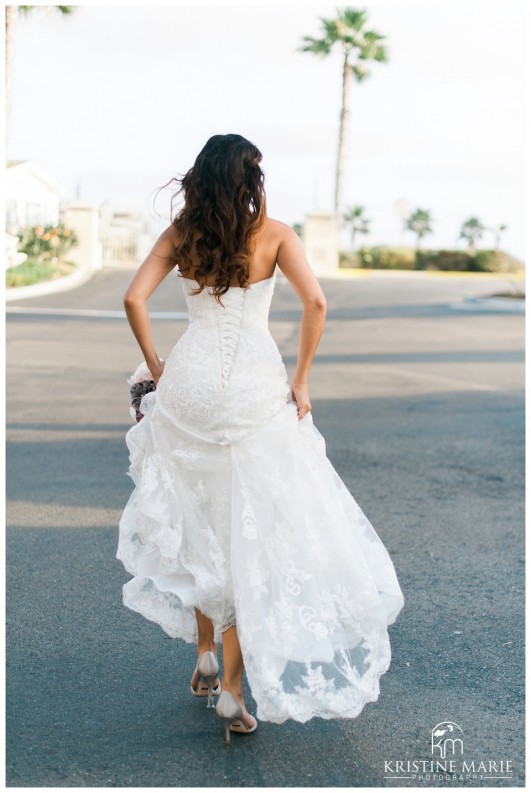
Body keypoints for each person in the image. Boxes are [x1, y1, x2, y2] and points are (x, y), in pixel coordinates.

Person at [116, 133, 404, 747]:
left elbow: (133, 297)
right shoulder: (274, 235)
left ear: (200, 177)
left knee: (201, 516)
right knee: (249, 529)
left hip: (189, 385)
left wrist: (156, 366)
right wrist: (299, 379)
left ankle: (203, 655)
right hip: (252, 387)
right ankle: (231, 692)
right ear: (250, 179)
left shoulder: (181, 235)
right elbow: (316, 303)